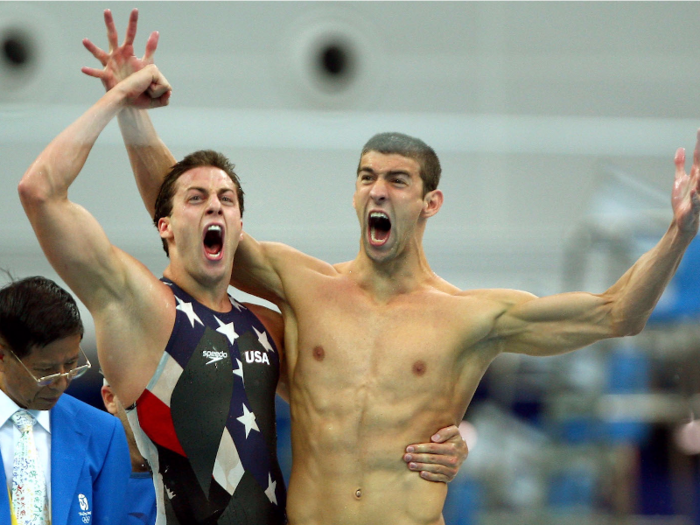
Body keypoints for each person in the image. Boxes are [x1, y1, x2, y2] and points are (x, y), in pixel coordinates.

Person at [81, 9, 700, 525]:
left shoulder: (474, 316)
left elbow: (619, 313)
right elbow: (186, 214)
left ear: (431, 203)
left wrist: (679, 232)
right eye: (367, 178)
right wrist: (133, 112)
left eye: (397, 181)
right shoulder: (304, 285)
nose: (378, 191)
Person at [20, 60, 465, 525]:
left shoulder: (267, 327)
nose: (214, 203)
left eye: (226, 199)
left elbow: (361, 407)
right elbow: (40, 192)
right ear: (165, 227)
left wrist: (446, 444)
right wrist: (116, 101)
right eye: (196, 198)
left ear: (238, 228)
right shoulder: (142, 308)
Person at [0, 275, 131, 525]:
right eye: (46, 371)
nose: (62, 383)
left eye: (71, 365)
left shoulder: (104, 434)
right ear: (2, 356)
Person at [101, 378, 157, 525]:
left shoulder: (211, 480)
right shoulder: (81, 478)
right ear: (110, 399)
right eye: (143, 395)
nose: (158, 408)